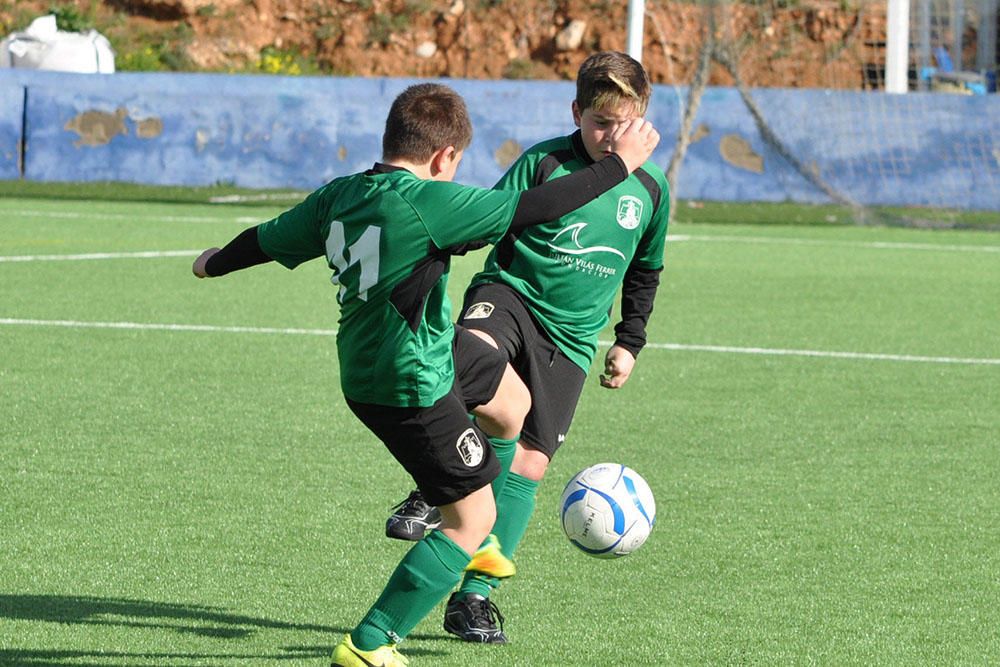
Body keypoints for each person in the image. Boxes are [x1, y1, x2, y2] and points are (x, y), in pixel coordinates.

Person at [191, 81, 659, 667]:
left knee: (512, 404)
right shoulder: (429, 203)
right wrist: (620, 165)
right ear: (444, 157)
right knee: (474, 517)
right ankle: (371, 643)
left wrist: (214, 262)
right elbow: (534, 207)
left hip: (379, 363)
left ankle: (465, 531)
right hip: (413, 382)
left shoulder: (338, 195)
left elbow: (265, 239)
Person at [385, 52, 671, 645]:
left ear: (643, 120)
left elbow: (645, 269)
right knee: (473, 350)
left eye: (625, 125)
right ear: (576, 112)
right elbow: (488, 217)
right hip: (509, 294)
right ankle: (431, 484)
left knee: (530, 463)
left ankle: (473, 598)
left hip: (571, 337)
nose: (612, 137)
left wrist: (629, 340)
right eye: (599, 123)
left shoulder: (651, 188)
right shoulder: (543, 162)